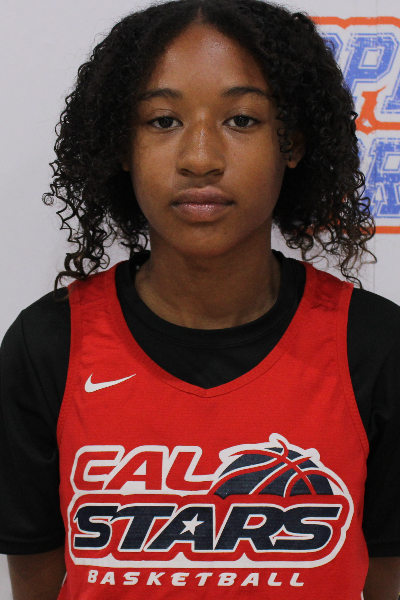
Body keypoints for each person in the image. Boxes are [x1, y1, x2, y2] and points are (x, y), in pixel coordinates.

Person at [1, 0, 400, 598]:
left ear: (291, 143)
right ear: (122, 145)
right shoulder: (48, 345)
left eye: (241, 119)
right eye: (163, 121)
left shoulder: (373, 345)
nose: (200, 159)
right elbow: (36, 583)